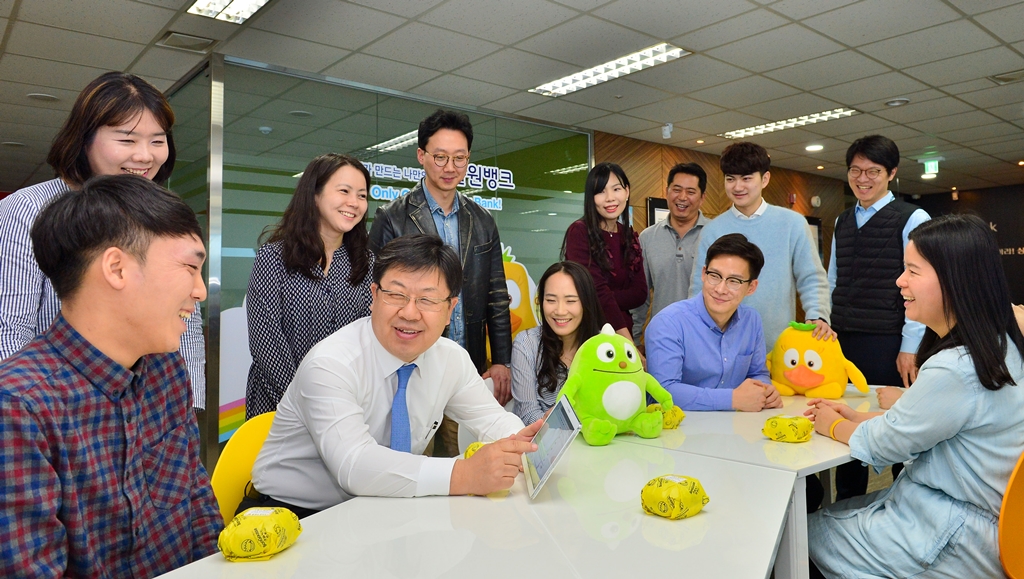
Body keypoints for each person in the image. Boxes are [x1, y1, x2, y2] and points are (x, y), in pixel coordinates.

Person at [0, 174, 220, 577]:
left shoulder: (167, 369)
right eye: (190, 267)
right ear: (117, 268)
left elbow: (197, 505)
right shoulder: (18, 407)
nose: (200, 291)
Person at [245, 234, 541, 517]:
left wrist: (522, 446)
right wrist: (464, 473)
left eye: (427, 300)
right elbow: (354, 465)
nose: (409, 313)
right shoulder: (331, 364)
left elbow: (492, 419)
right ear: (374, 296)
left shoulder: (451, 358)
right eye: (396, 295)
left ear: (450, 308)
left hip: (384, 507)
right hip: (293, 512)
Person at [804, 214, 1024, 579]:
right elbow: (935, 425)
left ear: (954, 280)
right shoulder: (1000, 347)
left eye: (912, 271)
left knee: (798, 535)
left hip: (952, 533)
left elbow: (885, 445)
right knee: (831, 516)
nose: (900, 281)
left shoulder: (954, 367)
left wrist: (832, 425)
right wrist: (858, 417)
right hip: (980, 521)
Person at [0, 71, 206, 409]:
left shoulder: (157, 213)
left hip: (145, 408)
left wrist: (187, 404)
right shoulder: (30, 208)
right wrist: (27, 411)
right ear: (84, 140)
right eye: (127, 140)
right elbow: (9, 328)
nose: (145, 156)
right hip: (58, 406)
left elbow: (185, 320)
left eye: (157, 141)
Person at [369, 109, 512, 457]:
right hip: (411, 364)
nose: (450, 167)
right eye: (440, 157)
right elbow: (376, 295)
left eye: (459, 158)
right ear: (421, 156)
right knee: (412, 460)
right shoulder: (392, 218)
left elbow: (496, 294)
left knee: (463, 459)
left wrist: (501, 360)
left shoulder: (483, 220)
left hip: (467, 366)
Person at [829, 135, 930, 501]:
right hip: (844, 341)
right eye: (855, 170)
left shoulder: (912, 217)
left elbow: (920, 284)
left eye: (873, 171)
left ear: (891, 173)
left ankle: (910, 505)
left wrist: (910, 346)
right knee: (849, 426)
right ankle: (847, 507)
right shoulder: (842, 220)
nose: (863, 178)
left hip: (889, 341)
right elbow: (833, 279)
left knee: (898, 431)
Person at [245, 153, 374, 419]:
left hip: (344, 406)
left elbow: (368, 339)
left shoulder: (366, 262)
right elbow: (266, 341)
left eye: (362, 195)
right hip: (278, 404)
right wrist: (303, 406)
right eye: (344, 191)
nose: (354, 202)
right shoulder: (274, 257)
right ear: (314, 194)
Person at [689, 141, 833, 350]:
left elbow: (811, 277)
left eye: (746, 178)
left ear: (765, 179)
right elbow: (698, 287)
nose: (738, 187)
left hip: (778, 347)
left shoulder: (792, 223)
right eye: (730, 179)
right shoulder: (712, 230)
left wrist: (818, 315)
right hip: (721, 347)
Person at [646, 233, 781, 412]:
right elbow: (663, 391)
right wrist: (732, 399)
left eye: (734, 281)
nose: (720, 289)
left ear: (751, 287)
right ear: (703, 274)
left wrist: (765, 391)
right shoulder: (668, 323)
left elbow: (757, 373)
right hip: (681, 426)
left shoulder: (751, 320)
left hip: (737, 424)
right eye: (715, 276)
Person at [511, 261, 605, 425]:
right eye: (551, 300)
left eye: (570, 301)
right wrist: (554, 422)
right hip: (545, 438)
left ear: (586, 302)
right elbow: (526, 414)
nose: (560, 311)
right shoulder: (527, 344)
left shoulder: (603, 347)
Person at [562, 162, 647, 345]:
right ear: (591, 198)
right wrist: (627, 343)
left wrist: (600, 298)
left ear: (627, 191)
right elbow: (596, 291)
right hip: (590, 335)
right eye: (600, 191)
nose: (610, 198)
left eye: (616, 189)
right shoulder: (579, 232)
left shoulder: (628, 235)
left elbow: (640, 293)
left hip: (624, 332)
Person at [631, 162, 709, 346]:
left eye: (690, 192)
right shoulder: (647, 238)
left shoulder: (716, 235)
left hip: (706, 339)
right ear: (667, 192)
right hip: (661, 338)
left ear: (702, 197)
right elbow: (640, 297)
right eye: (677, 189)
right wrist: (633, 341)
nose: (682, 197)